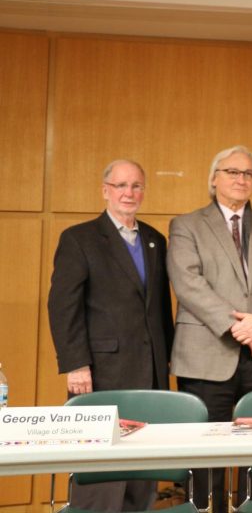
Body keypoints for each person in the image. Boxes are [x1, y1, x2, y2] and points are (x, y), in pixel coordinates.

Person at [167, 145, 252, 512]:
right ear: (214, 179)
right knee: (208, 458)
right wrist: (236, 326)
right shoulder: (187, 225)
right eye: (232, 172)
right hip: (207, 357)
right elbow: (188, 283)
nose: (241, 179)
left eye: (248, 173)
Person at [48, 159, 173, 511]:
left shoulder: (154, 240)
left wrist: (166, 360)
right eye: (121, 185)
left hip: (149, 375)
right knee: (101, 476)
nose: (129, 193)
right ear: (105, 191)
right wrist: (75, 364)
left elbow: (161, 308)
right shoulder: (79, 239)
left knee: (140, 476)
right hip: (100, 374)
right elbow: (62, 307)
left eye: (136, 186)